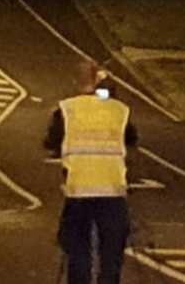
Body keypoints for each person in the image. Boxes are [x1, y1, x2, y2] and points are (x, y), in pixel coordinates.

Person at [44, 62, 138, 284]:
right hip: (113, 193)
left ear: (76, 82)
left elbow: (51, 140)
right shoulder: (117, 109)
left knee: (77, 250)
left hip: (78, 192)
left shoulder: (67, 109)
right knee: (112, 254)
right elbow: (131, 138)